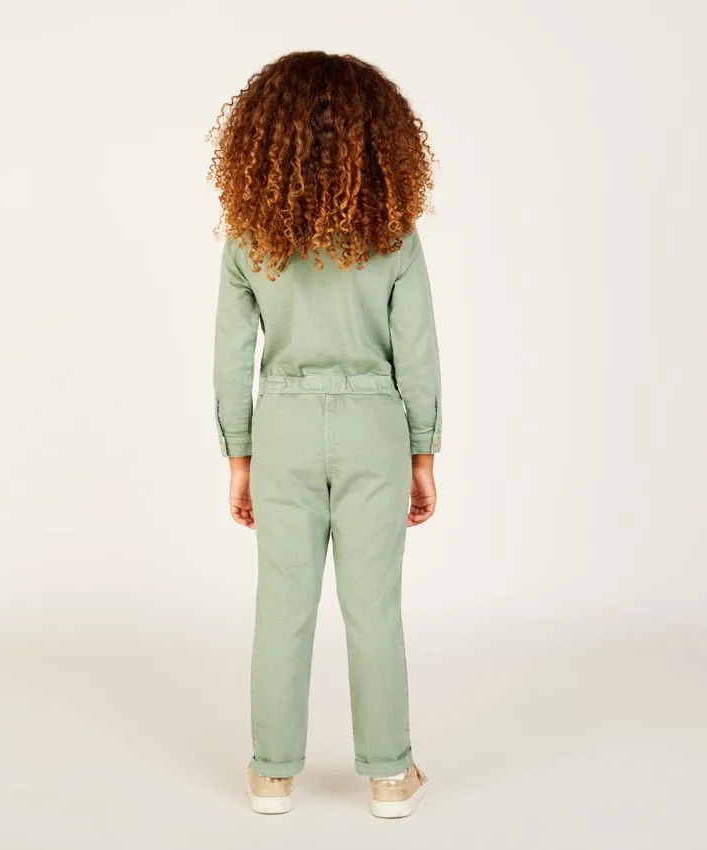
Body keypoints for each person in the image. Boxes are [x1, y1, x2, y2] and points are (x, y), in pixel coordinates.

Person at [208, 50, 441, 819]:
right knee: (374, 606)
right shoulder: (394, 233)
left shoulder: (249, 237)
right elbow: (417, 353)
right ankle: (390, 778)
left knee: (283, 602)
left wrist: (240, 457)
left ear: (262, 137)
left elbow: (231, 355)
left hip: (283, 426)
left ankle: (271, 775)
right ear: (381, 138)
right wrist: (423, 454)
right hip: (376, 425)